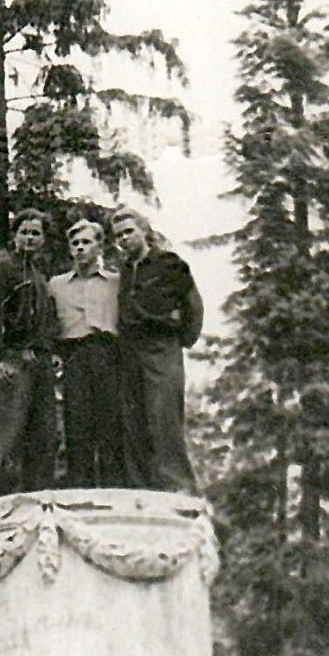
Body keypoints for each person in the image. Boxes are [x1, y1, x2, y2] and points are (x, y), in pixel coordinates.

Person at [109, 207, 204, 494]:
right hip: (131, 350)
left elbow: (193, 306)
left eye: (129, 231)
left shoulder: (168, 263)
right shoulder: (124, 272)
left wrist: (180, 341)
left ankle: (179, 488)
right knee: (134, 419)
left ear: (144, 230)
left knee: (164, 417)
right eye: (119, 236)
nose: (124, 239)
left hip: (162, 347)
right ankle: (142, 489)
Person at [0, 208, 58, 497]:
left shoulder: (39, 276)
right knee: (8, 435)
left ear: (43, 240)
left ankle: (36, 501)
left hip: (39, 364)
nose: (30, 238)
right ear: (15, 236)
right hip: (12, 360)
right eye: (24, 232)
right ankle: (0, 503)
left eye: (36, 233)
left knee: (43, 435)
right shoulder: (2, 269)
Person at [48, 219, 126, 488]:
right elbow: (48, 324)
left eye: (86, 242)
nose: (80, 248)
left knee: (110, 421)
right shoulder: (56, 285)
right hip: (74, 356)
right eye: (75, 243)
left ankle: (114, 488)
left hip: (107, 354)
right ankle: (79, 486)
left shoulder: (115, 282)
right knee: (77, 421)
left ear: (99, 246)